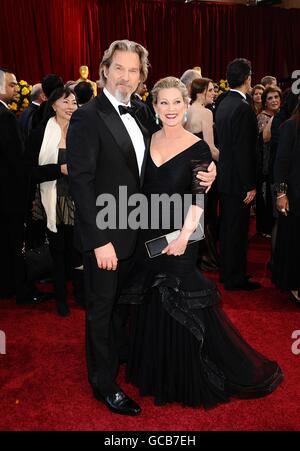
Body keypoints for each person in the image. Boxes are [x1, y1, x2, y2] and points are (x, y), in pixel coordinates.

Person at [67, 39, 216, 416]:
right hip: (106, 236)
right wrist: (98, 240)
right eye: (119, 68)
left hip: (139, 233)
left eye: (134, 70)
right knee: (101, 311)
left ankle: (119, 362)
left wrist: (210, 172)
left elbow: (173, 155)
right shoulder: (88, 115)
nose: (126, 76)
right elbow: (80, 184)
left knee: (122, 308)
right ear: (104, 69)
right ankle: (103, 384)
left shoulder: (141, 113)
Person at [121, 77, 283, 409]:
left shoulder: (197, 147)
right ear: (154, 106)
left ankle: (187, 375)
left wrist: (183, 237)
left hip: (182, 235)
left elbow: (198, 201)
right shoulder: (146, 140)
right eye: (162, 102)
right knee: (152, 299)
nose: (169, 109)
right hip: (147, 235)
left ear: (186, 105)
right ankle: (159, 371)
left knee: (181, 300)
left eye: (176, 102)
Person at [26, 86, 81, 316]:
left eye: (74, 102)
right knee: (57, 252)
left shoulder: (82, 131)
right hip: (51, 199)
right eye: (66, 102)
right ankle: (61, 299)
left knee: (77, 250)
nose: (71, 106)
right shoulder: (40, 132)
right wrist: (60, 169)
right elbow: (30, 171)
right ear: (54, 104)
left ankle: (81, 294)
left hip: (79, 199)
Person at [215, 58, 261, 291]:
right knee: (237, 231)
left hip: (226, 178)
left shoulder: (223, 103)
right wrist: (250, 184)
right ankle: (235, 277)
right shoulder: (242, 108)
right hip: (238, 181)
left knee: (228, 229)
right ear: (247, 78)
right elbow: (245, 151)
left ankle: (227, 273)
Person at [185, 77, 220, 271]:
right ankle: (205, 257)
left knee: (193, 212)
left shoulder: (186, 110)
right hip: (203, 168)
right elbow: (210, 148)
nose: (214, 93)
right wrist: (226, 158)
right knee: (206, 215)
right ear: (202, 92)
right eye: (211, 89)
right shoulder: (206, 113)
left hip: (187, 168)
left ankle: (193, 255)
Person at [272, 99, 300, 305]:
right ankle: (294, 284)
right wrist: (281, 194)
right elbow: (280, 163)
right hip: (295, 195)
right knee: (294, 241)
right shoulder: (291, 126)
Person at [256, 86, 282, 237]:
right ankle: (266, 228)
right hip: (265, 163)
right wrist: (274, 118)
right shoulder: (263, 117)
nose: (274, 101)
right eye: (270, 98)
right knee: (265, 196)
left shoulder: (282, 115)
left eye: (276, 97)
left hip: (276, 162)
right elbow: (265, 138)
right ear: (265, 102)